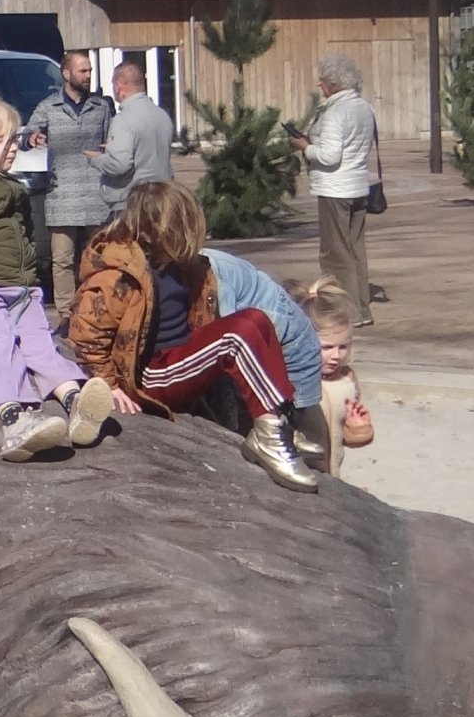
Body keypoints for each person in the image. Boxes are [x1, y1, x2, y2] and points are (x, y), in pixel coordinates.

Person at [66, 182, 321, 492]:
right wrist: (109, 383)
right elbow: (86, 333)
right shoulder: (118, 275)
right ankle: (268, 438)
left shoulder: (180, 266)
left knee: (256, 319)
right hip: (152, 376)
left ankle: (278, 419)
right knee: (235, 336)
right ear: (168, 228)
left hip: (180, 359)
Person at [0, 96, 115, 462]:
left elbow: (25, 236)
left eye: (13, 139)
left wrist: (32, 279)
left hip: (22, 288)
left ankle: (75, 401)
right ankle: (14, 421)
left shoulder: (8, 185)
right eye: (1, 140)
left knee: (40, 345)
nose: (13, 147)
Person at [198, 247, 328, 470]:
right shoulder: (205, 267)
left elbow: (235, 336)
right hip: (279, 349)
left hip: (289, 354)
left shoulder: (211, 275)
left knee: (298, 450)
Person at [290, 54, 380, 327]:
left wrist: (305, 147)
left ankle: (349, 312)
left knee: (335, 253)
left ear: (334, 83)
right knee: (355, 250)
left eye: (323, 80)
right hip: (359, 186)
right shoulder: (364, 107)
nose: (319, 84)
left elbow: (329, 156)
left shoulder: (335, 112)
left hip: (335, 188)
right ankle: (362, 307)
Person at [25, 51, 115, 307]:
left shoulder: (101, 107)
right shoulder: (48, 106)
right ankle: (66, 313)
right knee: (62, 260)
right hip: (62, 195)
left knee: (100, 258)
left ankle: (100, 308)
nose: (88, 76)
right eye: (82, 71)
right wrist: (32, 138)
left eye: (89, 71)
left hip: (96, 196)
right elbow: (28, 133)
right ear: (66, 74)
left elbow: (112, 140)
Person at [297, 280, 375, 478]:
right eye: (326, 347)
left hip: (332, 478)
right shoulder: (293, 380)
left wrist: (357, 428)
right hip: (299, 475)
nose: (336, 356)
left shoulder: (346, 379)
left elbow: (340, 436)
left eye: (343, 347)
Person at [93, 59, 174, 215]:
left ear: (118, 85)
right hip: (161, 200)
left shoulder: (123, 119)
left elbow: (119, 164)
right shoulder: (162, 115)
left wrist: (96, 158)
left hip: (131, 204)